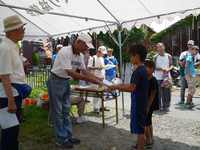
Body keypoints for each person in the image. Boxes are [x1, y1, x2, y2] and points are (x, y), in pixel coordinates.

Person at [47, 33, 103, 149]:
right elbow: (71, 73)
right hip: (56, 80)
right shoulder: (65, 52)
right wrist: (91, 79)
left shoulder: (80, 56)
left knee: (66, 109)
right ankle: (60, 139)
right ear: (78, 42)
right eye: (85, 46)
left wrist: (96, 79)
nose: (87, 48)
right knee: (58, 111)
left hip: (65, 81)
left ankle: (68, 136)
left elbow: (84, 71)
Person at [0, 15, 32, 150]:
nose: (24, 31)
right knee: (10, 132)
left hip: (13, 92)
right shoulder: (5, 47)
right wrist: (11, 101)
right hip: (9, 95)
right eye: (22, 28)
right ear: (14, 30)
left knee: (14, 130)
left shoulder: (12, 45)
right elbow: (4, 76)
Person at [109, 44, 148, 150]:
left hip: (138, 104)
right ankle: (139, 146)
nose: (130, 58)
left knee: (140, 130)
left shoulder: (138, 71)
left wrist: (116, 87)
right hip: (141, 102)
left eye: (131, 56)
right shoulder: (143, 69)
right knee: (140, 127)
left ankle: (140, 147)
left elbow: (131, 88)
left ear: (137, 56)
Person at [178, 40, 200, 105]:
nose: (190, 45)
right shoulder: (184, 53)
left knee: (191, 88)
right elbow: (180, 62)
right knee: (183, 87)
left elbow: (198, 62)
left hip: (192, 73)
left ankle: (189, 101)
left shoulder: (196, 54)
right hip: (186, 73)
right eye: (189, 44)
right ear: (187, 45)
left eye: (191, 44)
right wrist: (185, 66)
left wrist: (194, 64)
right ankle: (183, 101)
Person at [87, 46, 107, 113]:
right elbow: (89, 68)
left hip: (102, 78)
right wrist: (97, 68)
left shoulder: (102, 58)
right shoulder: (92, 58)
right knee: (96, 93)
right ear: (99, 51)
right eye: (102, 53)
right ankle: (96, 108)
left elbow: (102, 67)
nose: (103, 54)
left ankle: (102, 106)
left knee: (102, 92)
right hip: (95, 78)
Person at [144, 60, 159, 148]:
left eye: (147, 68)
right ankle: (151, 138)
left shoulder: (153, 80)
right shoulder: (146, 78)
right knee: (148, 121)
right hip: (148, 103)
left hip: (150, 104)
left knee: (145, 122)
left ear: (152, 69)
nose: (145, 69)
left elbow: (153, 94)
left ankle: (148, 140)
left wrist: (148, 106)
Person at [154, 43, 172, 111]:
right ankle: (159, 106)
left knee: (167, 92)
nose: (160, 48)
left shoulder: (168, 56)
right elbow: (154, 67)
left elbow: (171, 65)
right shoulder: (155, 57)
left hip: (166, 77)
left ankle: (166, 106)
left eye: (161, 47)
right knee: (159, 93)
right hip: (158, 77)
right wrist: (162, 69)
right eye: (158, 47)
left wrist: (168, 69)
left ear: (164, 47)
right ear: (157, 49)